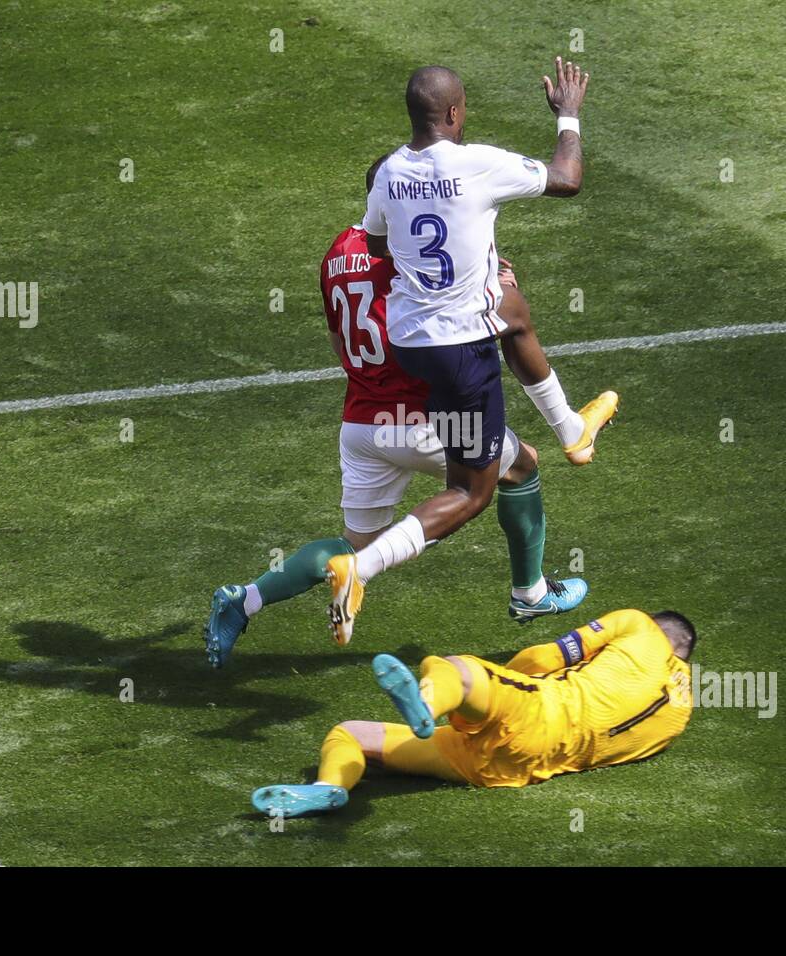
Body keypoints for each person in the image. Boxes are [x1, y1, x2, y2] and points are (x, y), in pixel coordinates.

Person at [203, 157, 589, 668]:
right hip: (421, 419)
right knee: (520, 467)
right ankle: (531, 591)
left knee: (351, 543)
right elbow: (458, 314)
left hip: (361, 423)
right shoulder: (409, 256)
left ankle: (244, 600)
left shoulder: (336, 252)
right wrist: (499, 284)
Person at [325, 58, 617, 646]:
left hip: (415, 349)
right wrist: (568, 116)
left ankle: (570, 433)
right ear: (455, 113)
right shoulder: (478, 162)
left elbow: (379, 240)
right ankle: (362, 568)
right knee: (471, 491)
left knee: (510, 313)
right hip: (461, 353)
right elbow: (567, 178)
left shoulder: (388, 175)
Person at [251, 608, 696, 816]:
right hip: (516, 768)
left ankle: (423, 707)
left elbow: (543, 659)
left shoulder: (639, 626)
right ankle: (329, 793)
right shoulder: (678, 719)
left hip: (539, 711)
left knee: (453, 669)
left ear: (660, 631)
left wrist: (503, 681)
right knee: (353, 732)